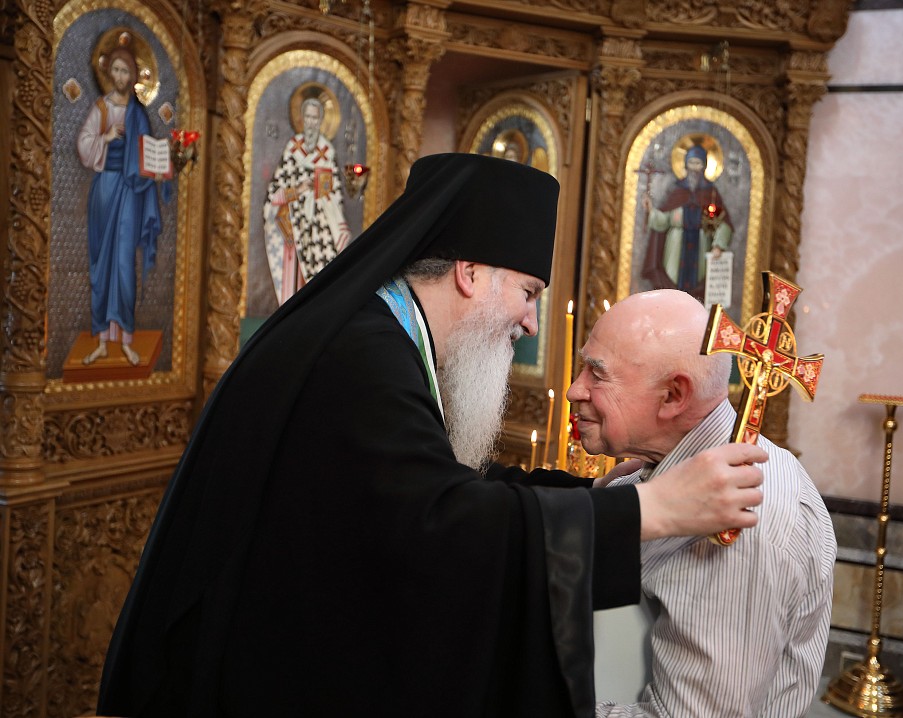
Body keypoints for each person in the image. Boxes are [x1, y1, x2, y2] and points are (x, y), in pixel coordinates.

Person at [97, 153, 766, 718]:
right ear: (470, 274)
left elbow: (425, 483)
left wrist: (590, 496)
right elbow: (438, 523)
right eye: (528, 292)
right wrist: (652, 510)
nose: (530, 323)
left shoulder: (377, 337)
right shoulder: (361, 358)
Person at [567, 289, 836, 718]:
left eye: (597, 374)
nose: (573, 390)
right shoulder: (664, 468)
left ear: (674, 395)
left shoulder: (739, 523)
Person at [76, 46, 162, 366]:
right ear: (109, 73)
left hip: (130, 192)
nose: (120, 77)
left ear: (134, 76)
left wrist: (158, 167)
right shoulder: (102, 107)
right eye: (116, 70)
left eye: (126, 71)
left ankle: (125, 339)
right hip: (105, 188)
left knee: (124, 264)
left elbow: (147, 153)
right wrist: (107, 136)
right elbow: (84, 144)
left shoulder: (138, 113)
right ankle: (102, 341)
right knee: (101, 265)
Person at [263, 96, 352, 305]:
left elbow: (336, 195)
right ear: (302, 119)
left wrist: (322, 193)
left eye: (315, 118)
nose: (311, 123)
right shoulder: (293, 148)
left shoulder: (327, 151)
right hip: (293, 226)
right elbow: (275, 193)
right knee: (294, 283)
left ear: (321, 120)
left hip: (320, 229)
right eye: (308, 117)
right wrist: (300, 189)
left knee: (320, 282)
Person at [641, 144, 733, 303]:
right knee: (673, 283)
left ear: (704, 165)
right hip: (676, 243)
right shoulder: (677, 190)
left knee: (698, 285)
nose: (694, 168)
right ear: (685, 164)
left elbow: (723, 222)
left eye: (698, 163)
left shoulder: (710, 193)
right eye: (691, 163)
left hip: (701, 243)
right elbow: (663, 221)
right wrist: (651, 211)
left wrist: (718, 245)